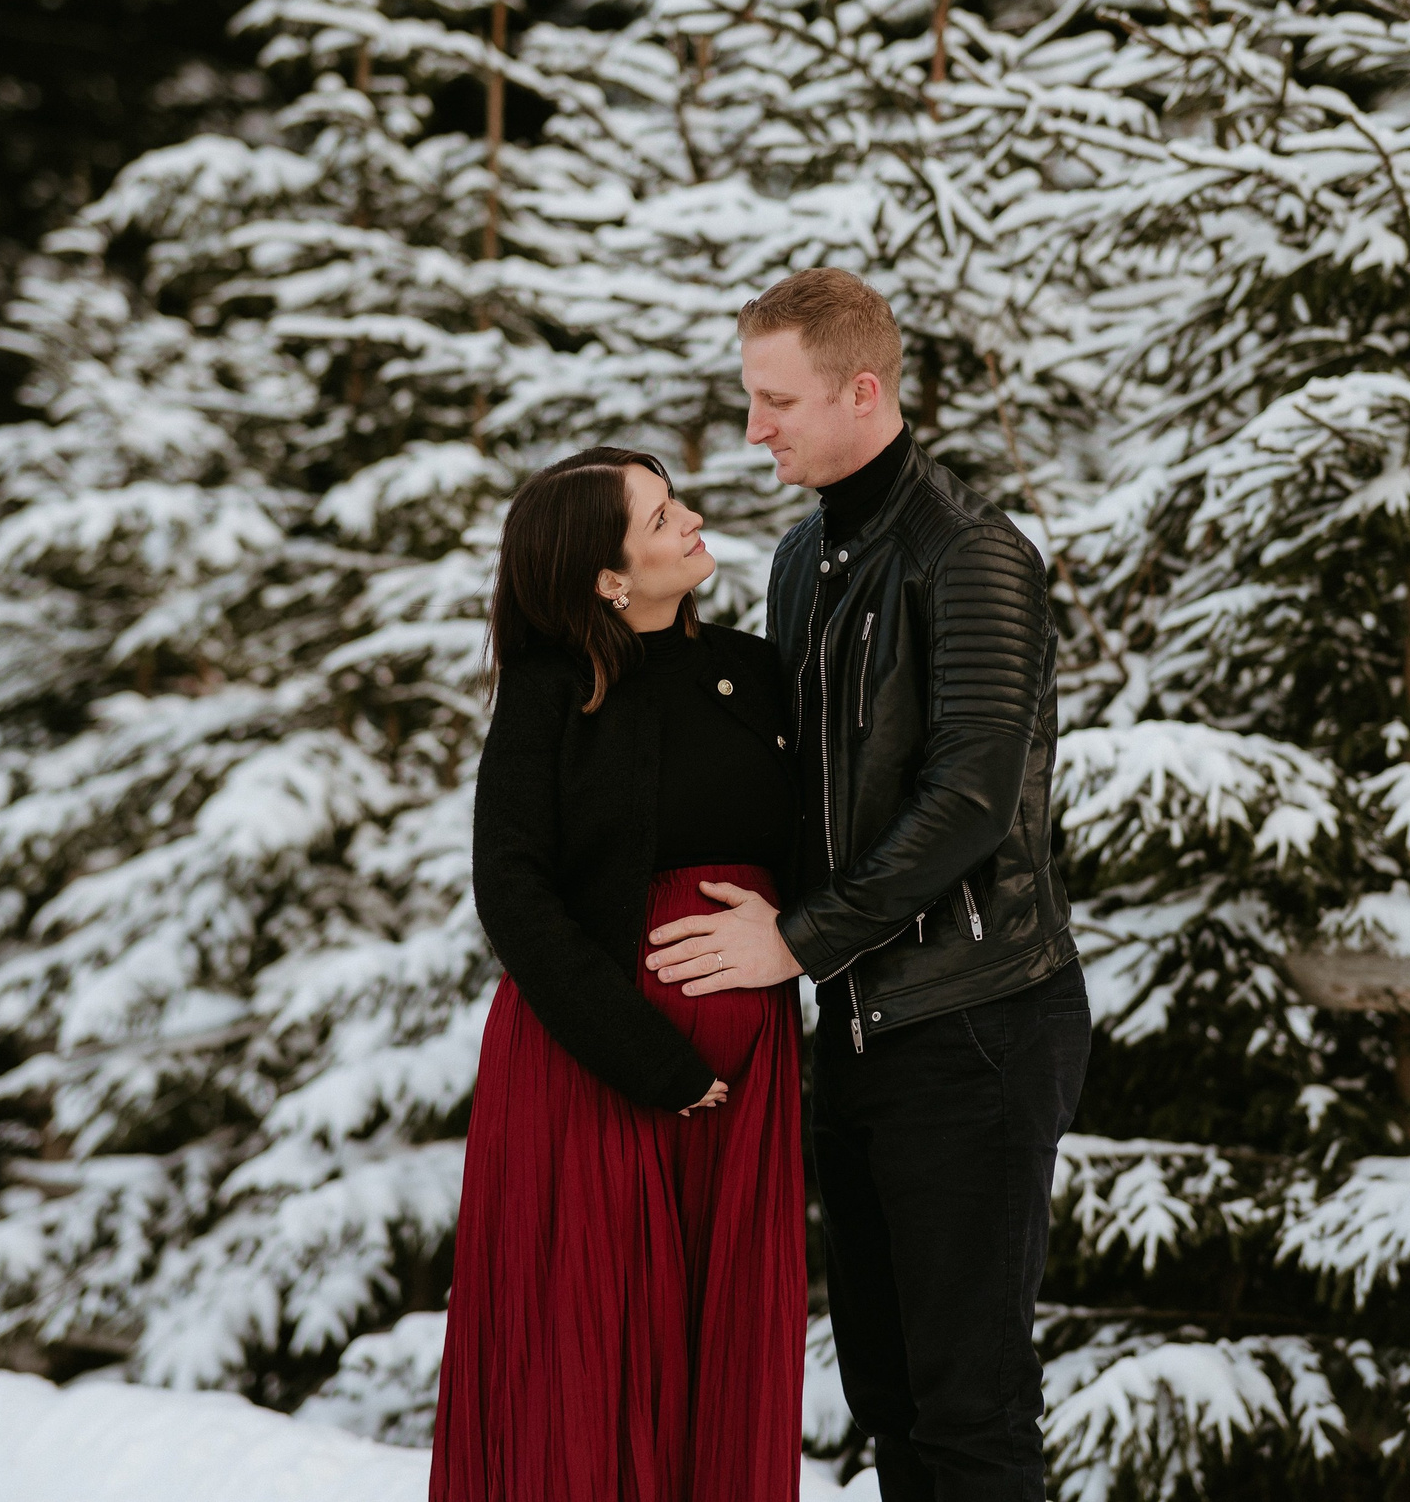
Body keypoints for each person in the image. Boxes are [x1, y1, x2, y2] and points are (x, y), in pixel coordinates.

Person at [648, 269, 1090, 1500]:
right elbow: (786, 776)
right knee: (887, 1401)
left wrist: (795, 938)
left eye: (775, 399)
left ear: (863, 390)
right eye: (749, 398)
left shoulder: (973, 555)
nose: (753, 429)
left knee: (969, 1410)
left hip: (975, 1025)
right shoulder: (802, 560)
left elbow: (969, 800)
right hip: (853, 1036)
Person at [432, 446, 806, 1502]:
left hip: (748, 1076)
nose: (690, 519)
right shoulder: (552, 693)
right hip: (593, 1072)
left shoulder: (753, 669)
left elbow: (823, 842)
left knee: (723, 1346)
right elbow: (512, 889)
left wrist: (796, 930)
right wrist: (650, 1058)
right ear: (607, 575)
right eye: (658, 516)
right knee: (588, 1357)